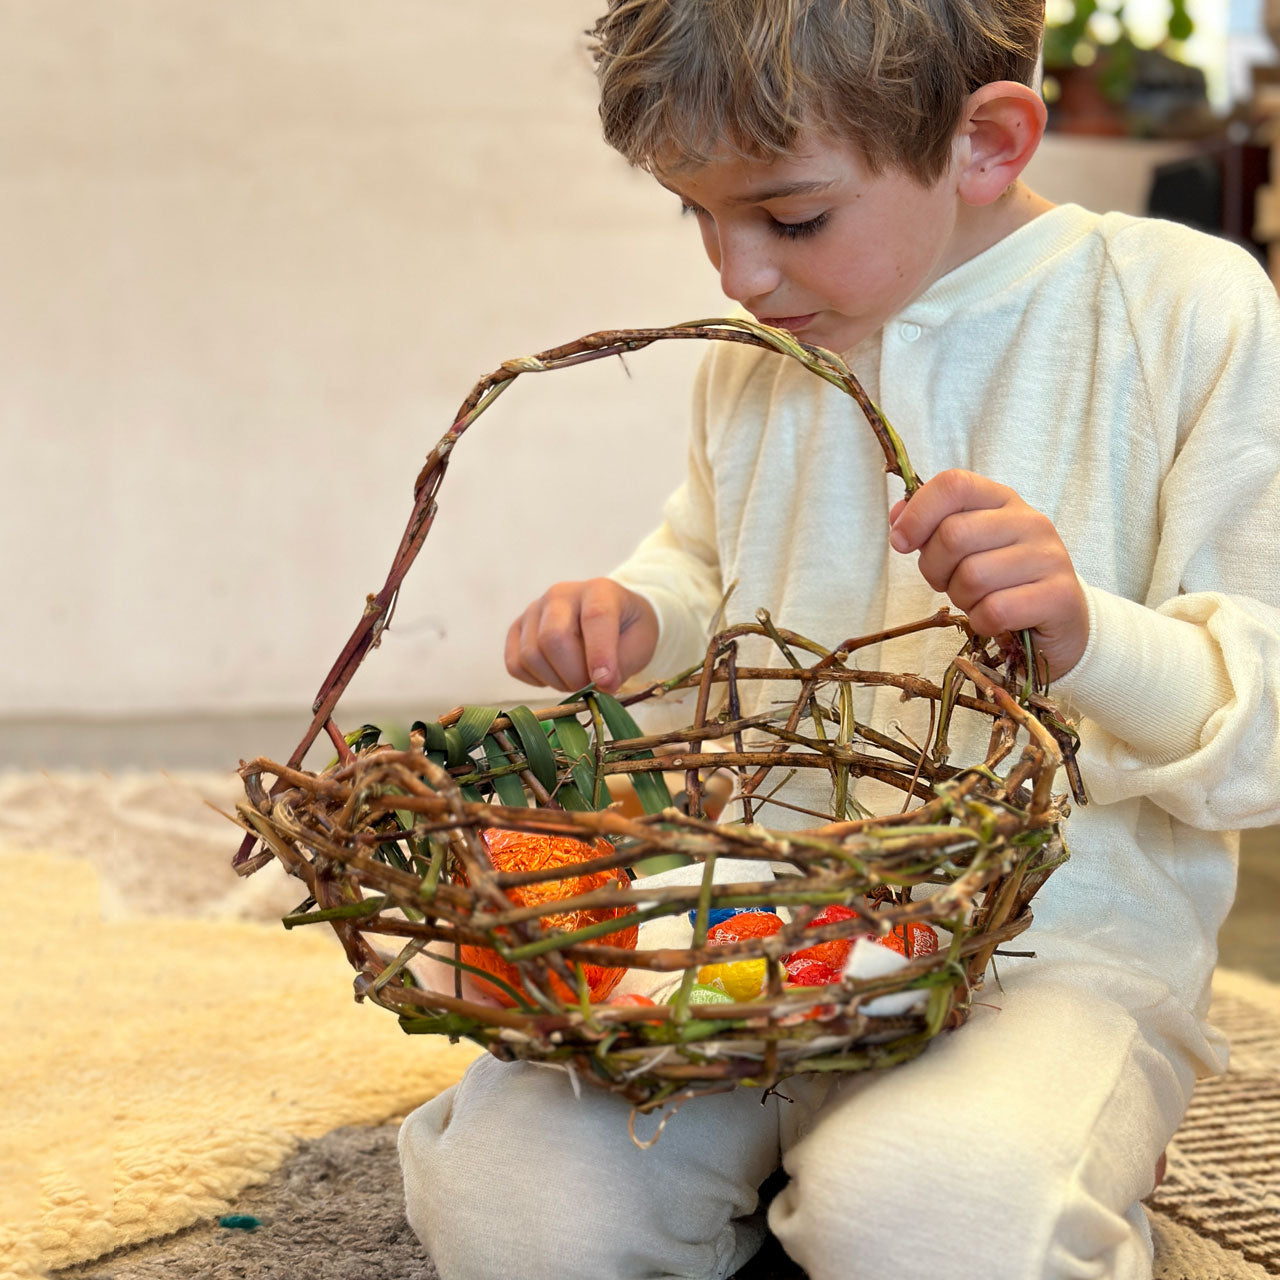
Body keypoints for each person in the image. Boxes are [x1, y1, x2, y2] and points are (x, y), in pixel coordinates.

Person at [399, 2, 1280, 1277]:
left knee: (931, 1211)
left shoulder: (1182, 310)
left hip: (1048, 955)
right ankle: (830, 1155)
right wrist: (640, 615)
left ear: (986, 141)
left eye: (792, 218)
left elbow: (1259, 731)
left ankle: (1008, 1135)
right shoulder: (759, 359)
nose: (736, 278)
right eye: (696, 214)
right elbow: (704, 564)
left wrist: (1090, 635)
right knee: (515, 1208)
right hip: (746, 924)